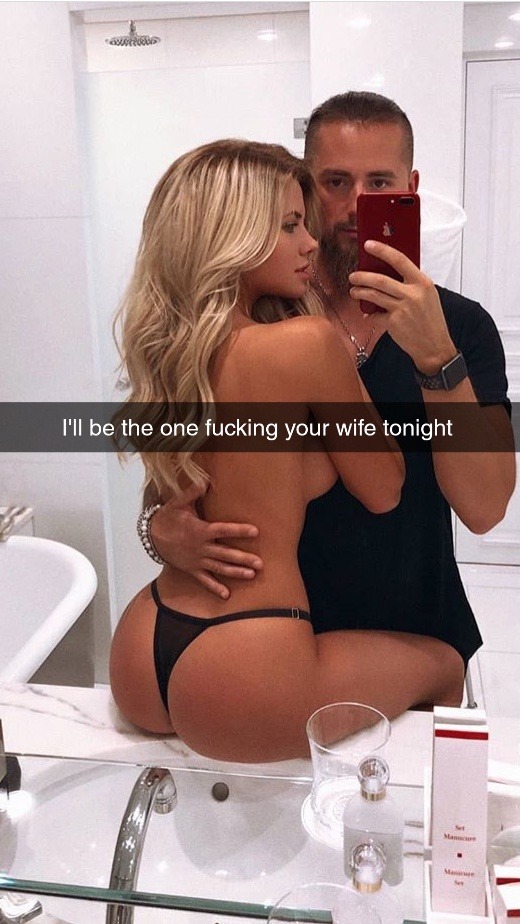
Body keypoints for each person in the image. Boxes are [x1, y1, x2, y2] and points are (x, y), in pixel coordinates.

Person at [110, 139, 464, 763]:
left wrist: (155, 529)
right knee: (446, 666)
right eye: (290, 225)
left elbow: (175, 502)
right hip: (250, 655)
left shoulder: (171, 353)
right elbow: (384, 489)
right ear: (231, 237)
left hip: (144, 642)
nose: (310, 243)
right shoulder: (305, 343)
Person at [145, 92, 515, 669]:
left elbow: (486, 508)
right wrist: (158, 531)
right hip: (272, 640)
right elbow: (177, 473)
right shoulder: (254, 315)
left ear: (411, 187)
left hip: (417, 633)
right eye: (336, 182)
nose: (354, 205)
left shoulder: (461, 327)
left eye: (379, 183)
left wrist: (436, 358)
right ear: (304, 183)